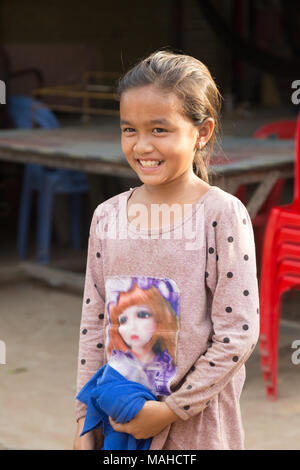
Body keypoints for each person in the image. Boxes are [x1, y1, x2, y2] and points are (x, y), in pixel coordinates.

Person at [73, 50, 260, 450]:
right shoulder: (106, 217)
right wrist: (83, 421)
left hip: (197, 430)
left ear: (202, 131)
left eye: (159, 130)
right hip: (116, 425)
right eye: (129, 130)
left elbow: (237, 334)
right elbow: (94, 326)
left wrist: (173, 409)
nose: (142, 146)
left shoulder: (221, 215)